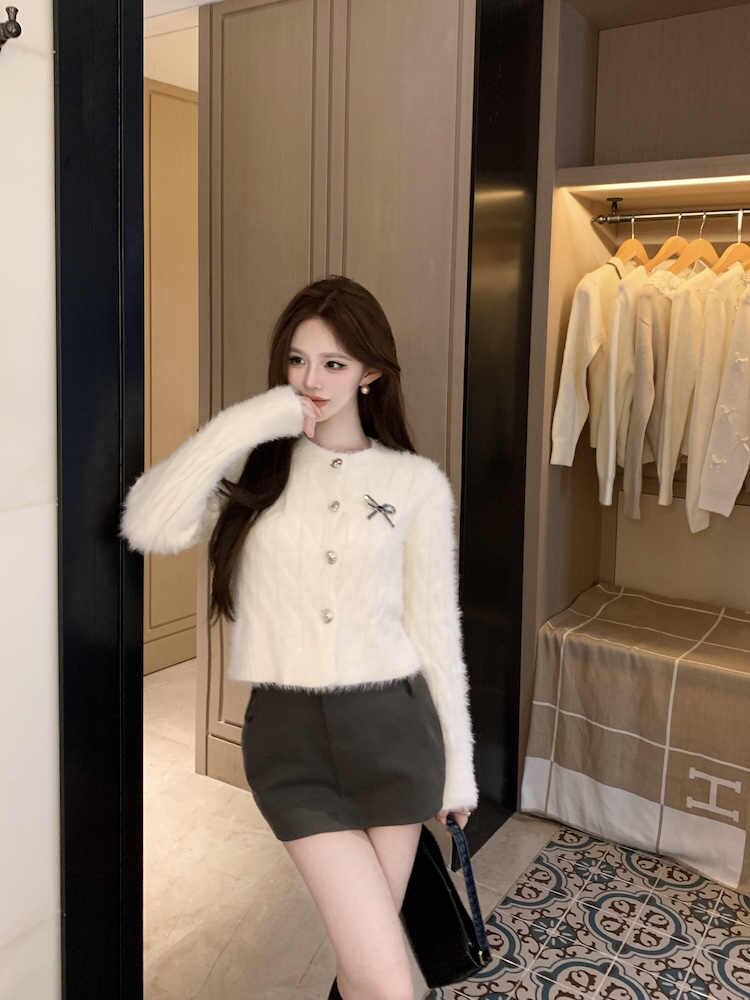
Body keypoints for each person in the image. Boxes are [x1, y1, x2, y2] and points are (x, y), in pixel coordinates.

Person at [120, 275, 478, 1000]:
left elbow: (436, 629)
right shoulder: (257, 474)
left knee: (363, 968)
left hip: (395, 736)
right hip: (291, 747)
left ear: (370, 373)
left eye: (333, 363)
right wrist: (248, 423)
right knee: (388, 980)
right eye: (296, 360)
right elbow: (149, 524)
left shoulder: (415, 484)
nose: (311, 381)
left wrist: (459, 769)